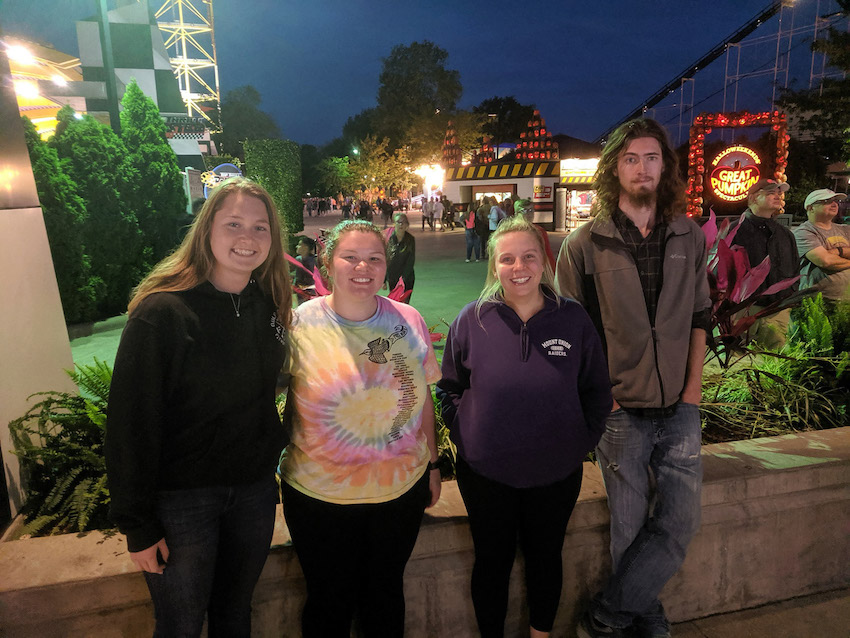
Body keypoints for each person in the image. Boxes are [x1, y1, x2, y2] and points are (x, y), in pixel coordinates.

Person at [105, 177, 292, 637]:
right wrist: (138, 525)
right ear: (206, 230)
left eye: (260, 227)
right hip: (182, 501)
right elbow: (129, 423)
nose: (247, 239)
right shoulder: (162, 313)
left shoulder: (268, 304)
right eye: (233, 224)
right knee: (180, 625)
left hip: (251, 493)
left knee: (235, 615)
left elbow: (269, 391)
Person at [555, 118, 710, 638]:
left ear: (664, 165)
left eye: (650, 157)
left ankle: (606, 617)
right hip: (621, 410)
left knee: (679, 523)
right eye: (630, 159)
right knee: (627, 529)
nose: (642, 168)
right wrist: (605, 399)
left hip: (679, 406)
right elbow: (572, 330)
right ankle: (644, 621)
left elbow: (699, 316)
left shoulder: (688, 234)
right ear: (614, 170)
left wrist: (693, 388)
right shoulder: (584, 243)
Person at [437, 215, 612, 638]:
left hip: (555, 473)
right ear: (494, 266)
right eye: (508, 259)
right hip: (485, 475)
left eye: (529, 257)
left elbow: (597, 391)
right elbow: (448, 388)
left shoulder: (572, 319)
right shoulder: (472, 319)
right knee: (491, 561)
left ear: (543, 263)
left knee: (546, 557)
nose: (519, 268)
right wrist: (469, 433)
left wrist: (578, 441)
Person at [279, 219, 442, 638]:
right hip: (318, 496)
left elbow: (423, 399)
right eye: (349, 257)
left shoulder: (408, 320)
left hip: (399, 492)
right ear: (328, 264)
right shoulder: (298, 326)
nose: (362, 267)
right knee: (327, 602)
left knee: (385, 597)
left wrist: (434, 465)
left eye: (373, 258)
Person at [730, 178, 799, 348]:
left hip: (777, 311)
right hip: (743, 311)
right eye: (770, 193)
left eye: (779, 193)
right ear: (753, 198)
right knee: (738, 361)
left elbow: (794, 268)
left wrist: (788, 298)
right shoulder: (734, 230)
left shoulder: (785, 234)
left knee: (774, 363)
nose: (777, 196)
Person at [794, 188, 850, 301]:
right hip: (818, 301)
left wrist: (838, 251)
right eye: (826, 201)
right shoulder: (804, 232)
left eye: (836, 201)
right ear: (810, 208)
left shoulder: (845, 229)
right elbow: (826, 261)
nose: (834, 204)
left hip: (846, 301)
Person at [385, 212, 416, 302]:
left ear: (407, 225)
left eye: (404, 222)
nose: (401, 224)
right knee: (395, 302)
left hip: (407, 277)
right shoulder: (388, 239)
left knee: (404, 303)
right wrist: (384, 279)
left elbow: (411, 260)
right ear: (394, 223)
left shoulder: (410, 239)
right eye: (398, 222)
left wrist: (403, 277)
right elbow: (385, 259)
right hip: (392, 277)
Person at [293, 236, 318, 303]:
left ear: (306, 247)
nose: (297, 246)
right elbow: (297, 275)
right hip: (300, 292)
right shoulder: (298, 259)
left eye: (299, 245)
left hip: (312, 292)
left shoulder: (314, 261)